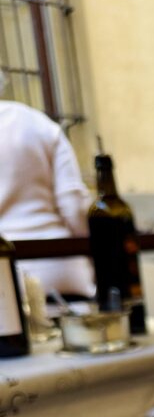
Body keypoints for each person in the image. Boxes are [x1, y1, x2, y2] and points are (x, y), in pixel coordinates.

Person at [0, 71, 94, 297]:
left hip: (6, 279)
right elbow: (73, 205)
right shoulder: (37, 123)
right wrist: (91, 253)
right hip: (61, 266)